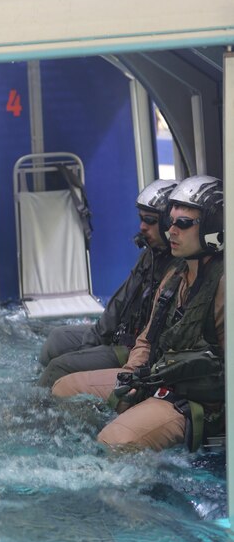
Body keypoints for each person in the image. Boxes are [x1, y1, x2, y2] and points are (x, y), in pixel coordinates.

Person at [51, 175, 224, 452]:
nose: (172, 232)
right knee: (64, 387)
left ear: (212, 227)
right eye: (171, 223)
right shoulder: (174, 278)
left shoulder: (224, 286)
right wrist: (129, 376)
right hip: (153, 379)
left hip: (195, 402)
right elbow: (146, 339)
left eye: (183, 224)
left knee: (115, 441)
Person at [37, 179, 178, 387]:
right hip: (122, 334)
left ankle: (36, 408)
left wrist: (89, 351)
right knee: (57, 338)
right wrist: (92, 341)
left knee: (59, 367)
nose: (142, 227)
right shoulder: (151, 256)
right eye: (141, 219)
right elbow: (119, 304)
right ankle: (39, 386)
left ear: (168, 223)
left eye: (149, 220)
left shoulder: (179, 268)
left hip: (133, 350)